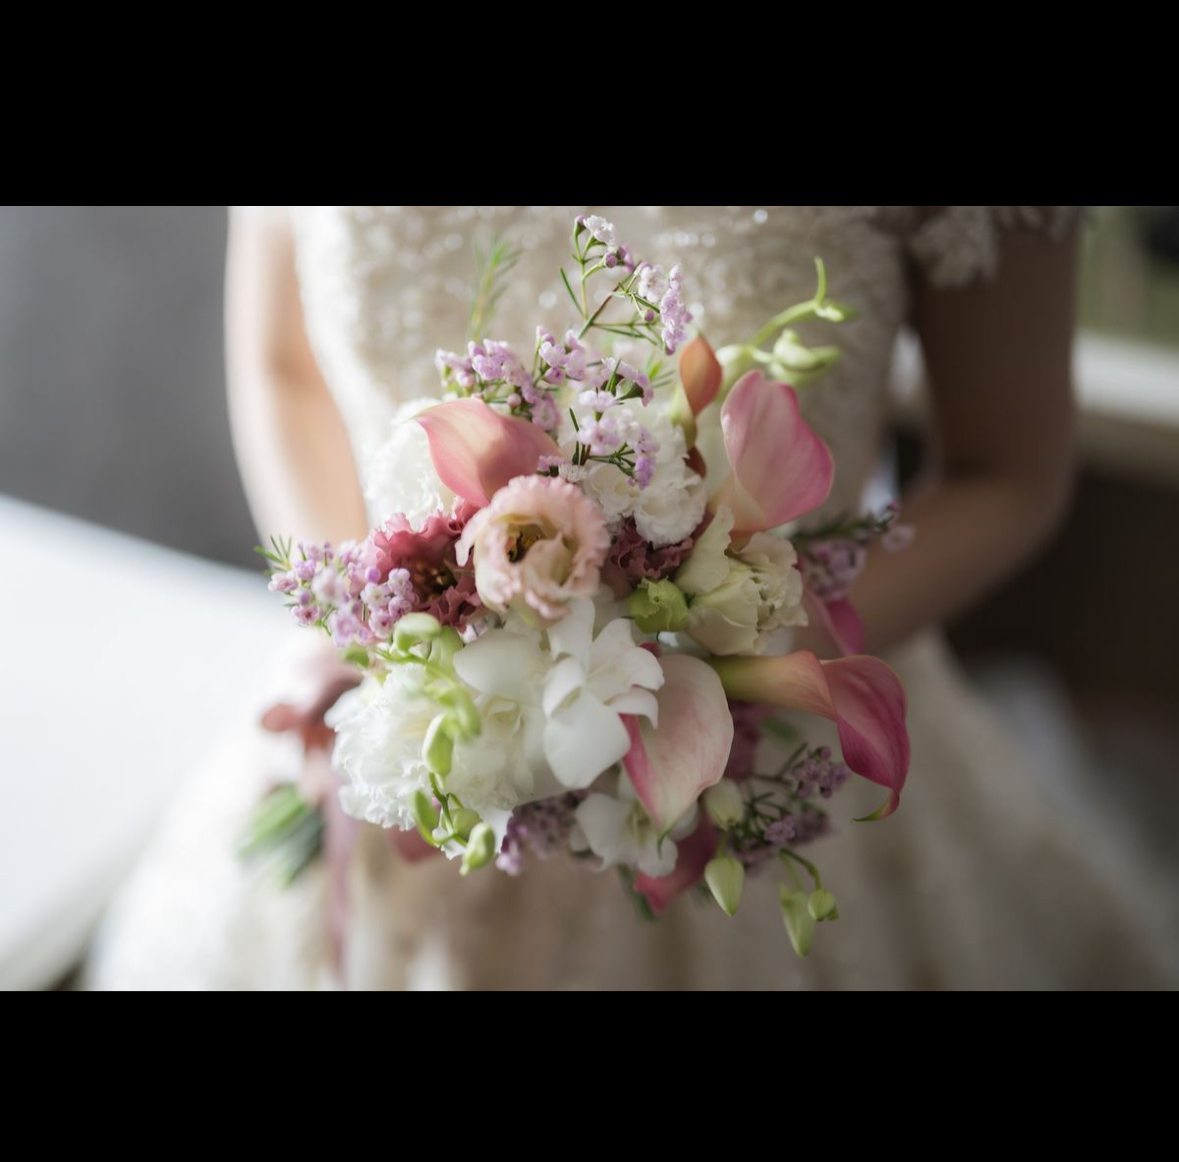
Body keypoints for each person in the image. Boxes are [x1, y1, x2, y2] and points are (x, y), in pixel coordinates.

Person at [89, 206, 1178, 990]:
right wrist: (377, 636)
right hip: (402, 735)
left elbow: (1007, 470)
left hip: (769, 749)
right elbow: (282, 363)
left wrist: (723, 656)